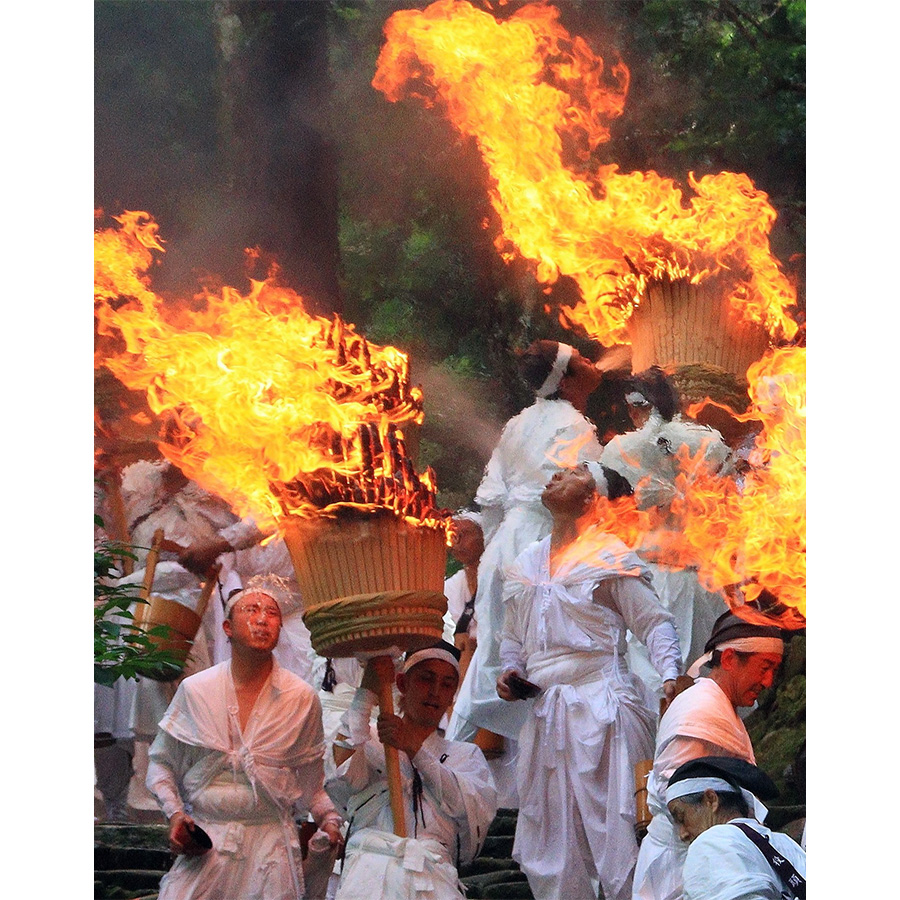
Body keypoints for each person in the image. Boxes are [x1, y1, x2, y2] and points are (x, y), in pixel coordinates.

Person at [495, 461, 681, 900]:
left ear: (590, 498)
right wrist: (510, 673)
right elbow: (513, 640)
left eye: (576, 472)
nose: (557, 474)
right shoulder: (527, 563)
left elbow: (654, 623)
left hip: (604, 713)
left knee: (619, 839)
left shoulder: (607, 556)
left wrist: (671, 676)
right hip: (547, 720)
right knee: (554, 849)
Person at [447, 340, 605, 804]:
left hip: (505, 549)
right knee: (542, 660)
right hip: (544, 547)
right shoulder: (575, 426)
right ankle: (535, 791)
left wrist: (495, 553)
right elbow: (583, 500)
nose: (594, 364)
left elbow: (491, 500)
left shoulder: (516, 424)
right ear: (567, 378)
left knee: (493, 660)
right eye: (582, 361)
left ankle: (454, 770)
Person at [146, 574, 343, 900]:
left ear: (280, 629)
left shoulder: (301, 697)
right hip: (209, 838)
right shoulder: (196, 690)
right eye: (251, 610)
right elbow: (161, 763)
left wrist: (330, 821)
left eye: (272, 613)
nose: (262, 619)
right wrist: (175, 814)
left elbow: (312, 783)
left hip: (269, 845)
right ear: (227, 627)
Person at [326, 641, 498, 900]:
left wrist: (414, 749)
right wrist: (366, 694)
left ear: (453, 695)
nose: (435, 692)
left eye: (446, 684)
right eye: (426, 679)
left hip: (432, 879)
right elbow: (342, 777)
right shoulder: (371, 739)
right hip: (369, 878)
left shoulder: (466, 755)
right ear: (403, 683)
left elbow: (469, 809)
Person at [632, 610, 785, 900]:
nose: (768, 681)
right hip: (682, 868)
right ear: (729, 659)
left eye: (774, 670)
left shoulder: (717, 704)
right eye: (764, 667)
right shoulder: (700, 710)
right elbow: (676, 800)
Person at [600, 368, 733, 701]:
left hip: (649, 580)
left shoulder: (618, 451)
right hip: (702, 580)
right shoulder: (710, 443)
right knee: (702, 680)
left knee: (652, 679)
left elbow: (607, 518)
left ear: (635, 407)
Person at [666, 756, 805, 900]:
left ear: (711, 800)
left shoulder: (712, 843)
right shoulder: (784, 843)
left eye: (681, 818)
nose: (682, 834)